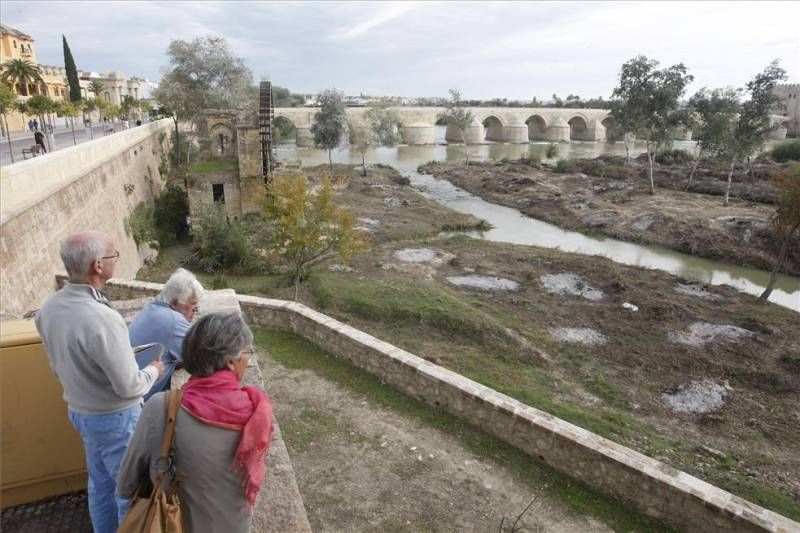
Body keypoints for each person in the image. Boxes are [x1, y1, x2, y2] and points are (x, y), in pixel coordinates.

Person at [35, 231, 164, 533]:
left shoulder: (49, 308)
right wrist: (154, 372)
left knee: (101, 485)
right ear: (97, 265)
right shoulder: (101, 317)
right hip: (115, 418)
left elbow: (57, 366)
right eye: (113, 256)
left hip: (81, 412)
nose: (115, 260)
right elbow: (130, 387)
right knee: (129, 492)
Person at [118, 313, 274, 533]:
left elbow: (126, 485)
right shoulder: (257, 414)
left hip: (171, 525)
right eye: (247, 353)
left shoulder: (160, 408)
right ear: (231, 361)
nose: (248, 361)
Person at [128, 268, 203, 400]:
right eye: (193, 305)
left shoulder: (151, 307)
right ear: (174, 303)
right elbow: (204, 358)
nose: (196, 310)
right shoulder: (174, 321)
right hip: (140, 402)